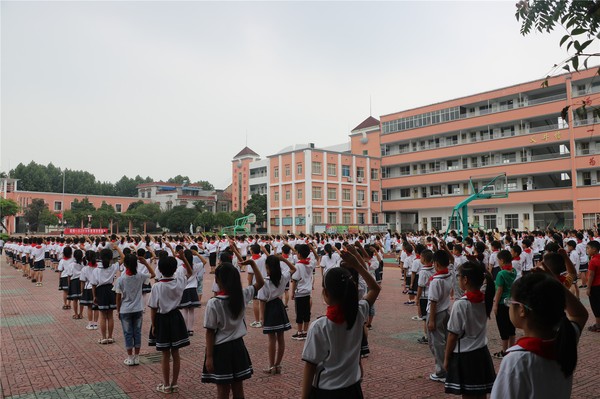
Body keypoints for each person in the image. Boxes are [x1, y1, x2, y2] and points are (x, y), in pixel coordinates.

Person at [490, 270, 588, 399]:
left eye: (511, 303)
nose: (509, 307)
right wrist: (555, 285)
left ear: (522, 310)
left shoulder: (517, 359)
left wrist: (555, 283)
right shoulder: (565, 340)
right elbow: (579, 314)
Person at [300, 243, 381, 399]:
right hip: (352, 389)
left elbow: (310, 366)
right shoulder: (358, 313)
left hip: (327, 391)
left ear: (326, 293)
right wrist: (357, 265)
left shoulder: (319, 326)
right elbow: (375, 288)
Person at [201, 260, 265, 399]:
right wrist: (253, 265)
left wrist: (210, 357)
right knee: (238, 389)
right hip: (238, 347)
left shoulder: (214, 303)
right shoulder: (242, 295)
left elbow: (210, 332)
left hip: (221, 350)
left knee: (223, 391)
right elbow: (260, 283)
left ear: (218, 280)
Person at [444, 261, 496, 398]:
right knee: (481, 394)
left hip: (466, 356)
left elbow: (452, 335)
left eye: (459, 276)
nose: (458, 279)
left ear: (465, 280)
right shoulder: (486, 299)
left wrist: (446, 358)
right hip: (481, 352)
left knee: (468, 395)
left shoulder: (461, 304)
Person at [149, 251, 193, 393]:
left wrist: (154, 325)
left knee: (165, 354)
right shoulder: (180, 281)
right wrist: (184, 258)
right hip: (176, 317)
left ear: (160, 270)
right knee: (176, 352)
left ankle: (166, 384)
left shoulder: (157, 286)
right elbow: (190, 273)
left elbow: (153, 308)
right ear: (175, 269)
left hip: (162, 319)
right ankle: (174, 383)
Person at [258, 254, 296, 374]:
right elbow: (293, 269)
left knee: (271, 339)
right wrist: (284, 259)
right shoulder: (283, 277)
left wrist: (261, 317)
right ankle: (278, 365)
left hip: (270, 308)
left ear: (268, 267)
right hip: (279, 308)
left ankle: (271, 366)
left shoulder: (264, 282)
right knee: (281, 338)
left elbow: (262, 301)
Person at [115, 253, 155, 366]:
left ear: (125, 264)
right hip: (138, 308)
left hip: (125, 310)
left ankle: (130, 357)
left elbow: (118, 297)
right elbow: (153, 274)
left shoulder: (121, 279)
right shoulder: (140, 276)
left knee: (128, 333)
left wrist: (118, 310)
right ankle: (137, 357)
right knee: (137, 333)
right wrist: (146, 263)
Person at [427, 250, 453, 382]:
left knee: (435, 343)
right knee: (444, 340)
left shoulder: (436, 281)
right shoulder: (449, 274)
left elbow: (433, 301)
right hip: (446, 310)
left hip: (436, 313)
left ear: (436, 264)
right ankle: (447, 366)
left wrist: (431, 320)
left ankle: (441, 371)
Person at [492, 250, 517, 359]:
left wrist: (495, 304)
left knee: (503, 327)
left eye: (498, 260)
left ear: (502, 261)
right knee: (511, 327)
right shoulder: (514, 271)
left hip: (502, 303)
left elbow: (499, 290)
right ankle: (512, 349)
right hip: (511, 302)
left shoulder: (501, 274)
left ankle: (504, 351)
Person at [92, 247, 119, 344]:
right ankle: (110, 337)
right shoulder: (113, 267)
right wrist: (117, 248)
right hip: (111, 290)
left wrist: (94, 296)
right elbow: (123, 258)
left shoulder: (96, 270)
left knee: (102, 316)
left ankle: (103, 338)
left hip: (100, 291)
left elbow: (93, 285)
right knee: (110, 316)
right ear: (111, 258)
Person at [291, 244, 314, 340]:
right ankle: (305, 331)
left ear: (299, 254)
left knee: (299, 312)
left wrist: (292, 292)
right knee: (307, 312)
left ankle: (299, 332)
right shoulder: (310, 264)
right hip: (308, 292)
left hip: (299, 292)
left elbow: (295, 280)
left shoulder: (298, 265)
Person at [80, 250, 99, 330]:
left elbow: (82, 281)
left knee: (90, 307)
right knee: (96, 307)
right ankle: (96, 324)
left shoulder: (85, 269)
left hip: (88, 288)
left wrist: (81, 291)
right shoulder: (99, 267)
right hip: (97, 288)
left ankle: (90, 324)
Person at [585, 240, 600, 332]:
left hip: (595, 286)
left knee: (596, 305)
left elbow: (591, 275)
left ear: (594, 249)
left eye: (588, 248)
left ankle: (598, 325)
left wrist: (588, 287)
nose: (587, 250)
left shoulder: (593, 261)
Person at [66, 249, 85, 319]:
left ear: (74, 256)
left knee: (75, 299)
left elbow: (69, 275)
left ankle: (76, 314)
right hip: (82, 281)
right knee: (81, 299)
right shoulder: (83, 264)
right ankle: (81, 313)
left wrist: (69, 284)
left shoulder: (71, 265)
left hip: (73, 282)